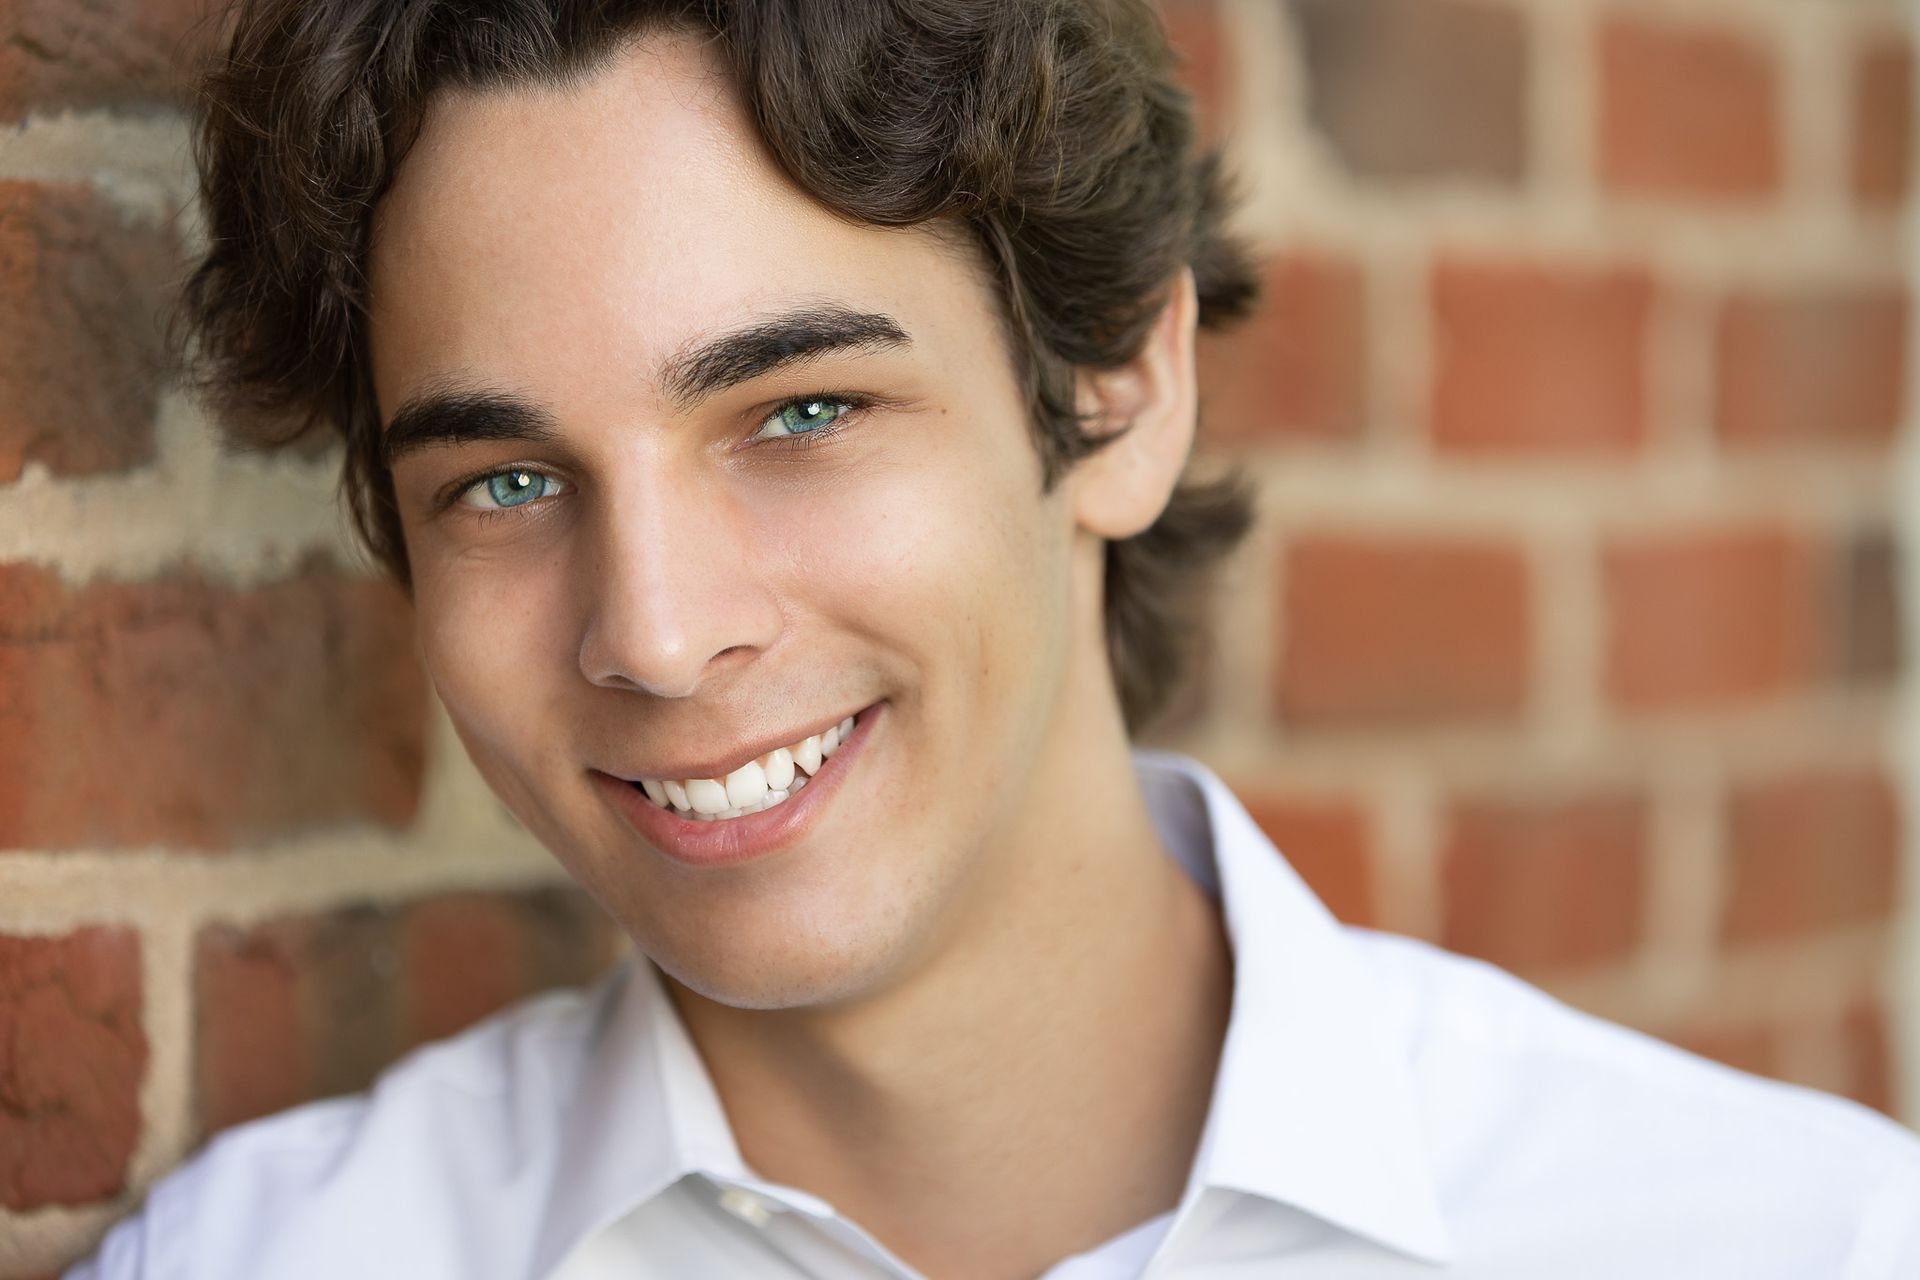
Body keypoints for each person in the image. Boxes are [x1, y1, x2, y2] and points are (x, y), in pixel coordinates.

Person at [67, 1, 1920, 1277]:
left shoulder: (1785, 1239)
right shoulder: (274, 1261)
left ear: (1120, 395)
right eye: (507, 481)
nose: (657, 634)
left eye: (802, 412)